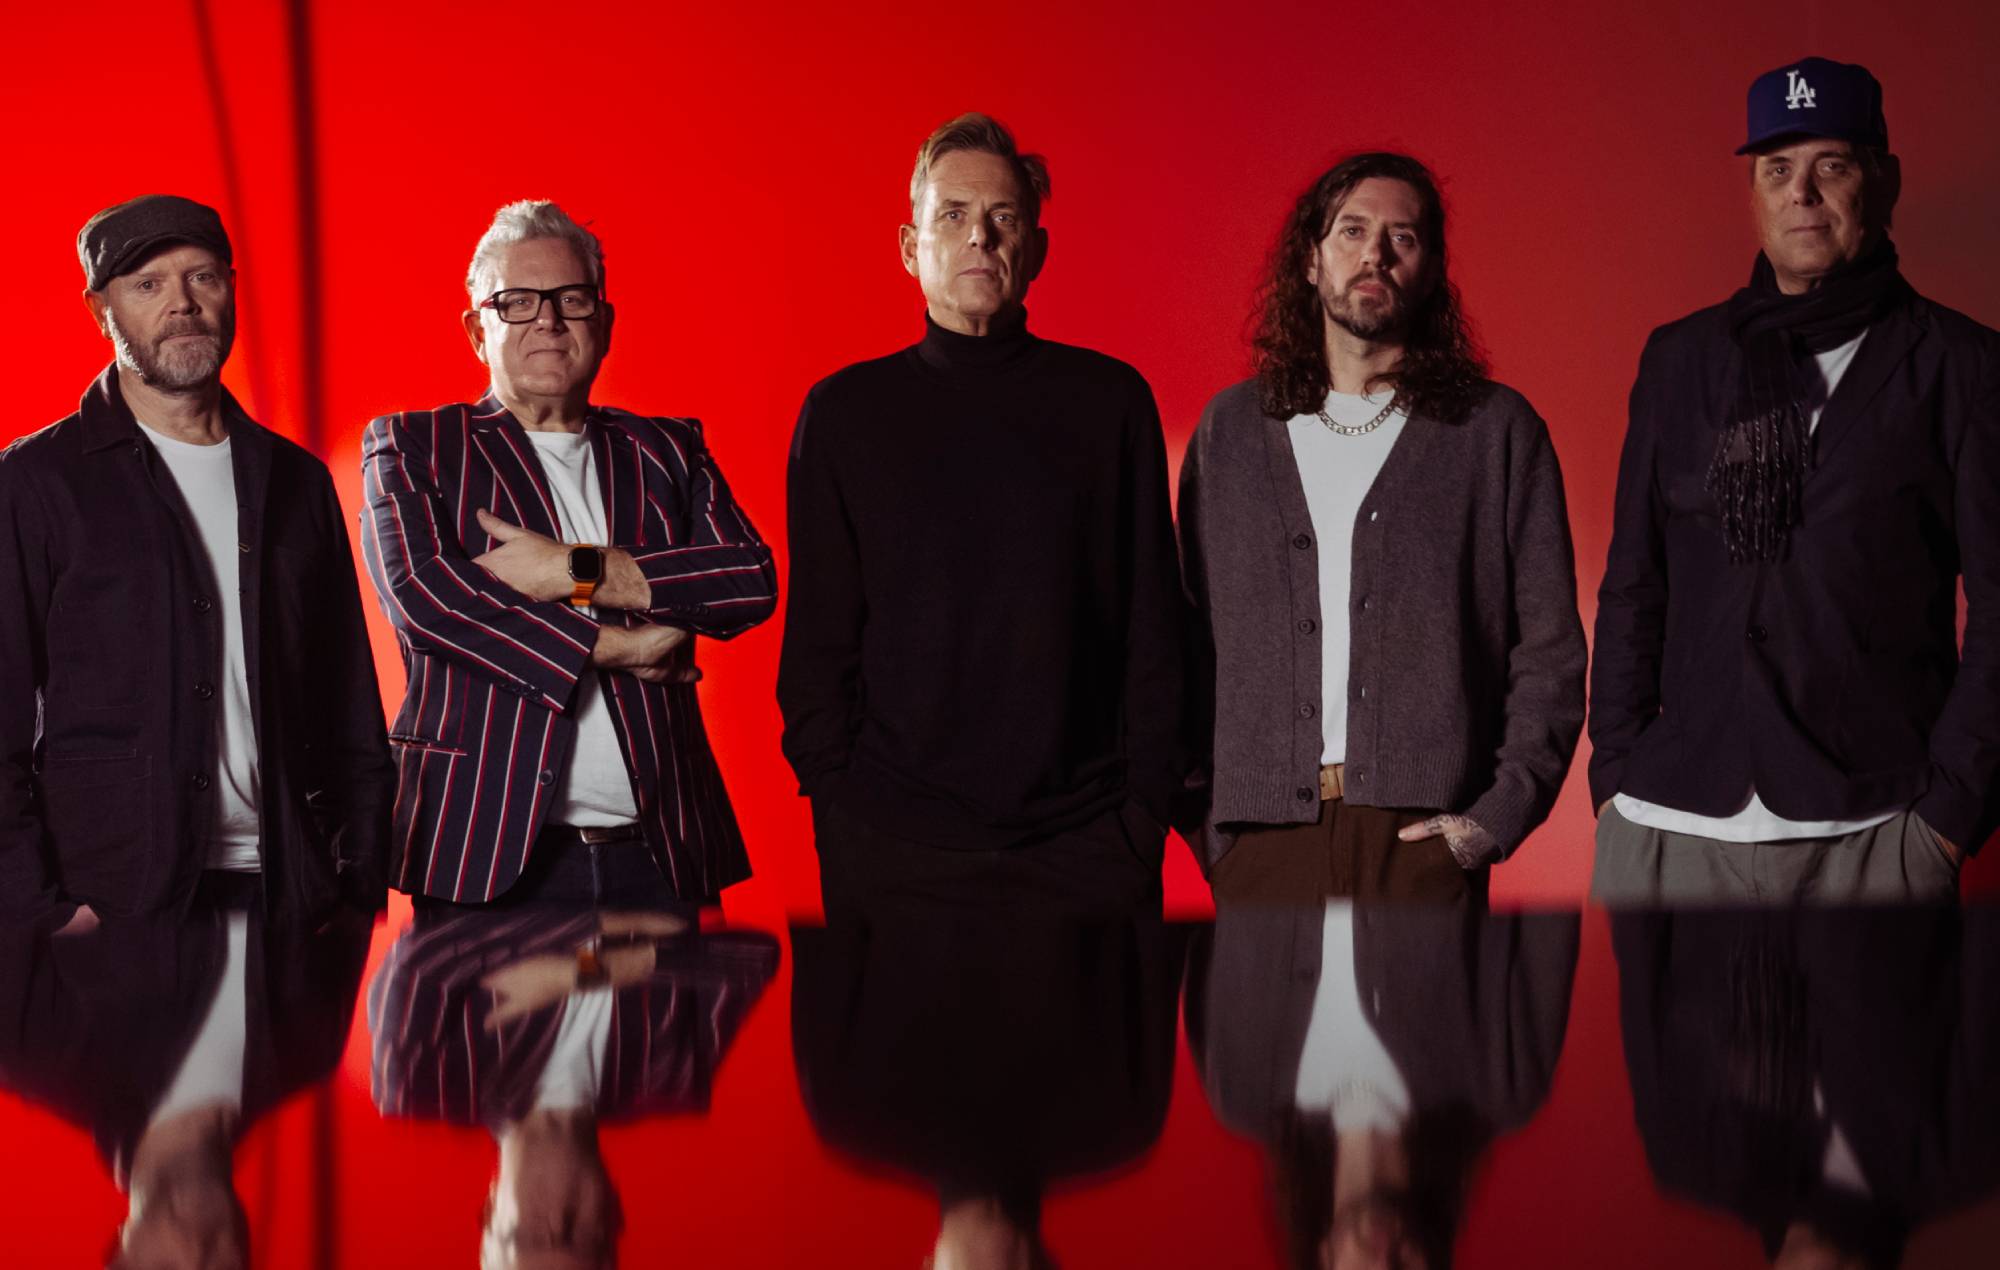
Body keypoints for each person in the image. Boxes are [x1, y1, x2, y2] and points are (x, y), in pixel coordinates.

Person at [1588, 57, 2000, 903]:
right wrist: (1616, 779)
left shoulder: (1961, 366)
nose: (1801, 193)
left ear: (1883, 180)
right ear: (1754, 193)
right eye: (1777, 170)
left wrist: (1949, 817)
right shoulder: (1680, 360)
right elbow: (1634, 583)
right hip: (1671, 823)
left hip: (1871, 828)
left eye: (1831, 165)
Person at [776, 113, 1183, 915]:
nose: (979, 238)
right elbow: (820, 636)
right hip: (890, 839)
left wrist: (1143, 812)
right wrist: (840, 803)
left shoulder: (1109, 403)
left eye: (1004, 217)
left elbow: (1153, 627)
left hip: (1088, 840)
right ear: (910, 246)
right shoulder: (845, 414)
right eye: (953, 215)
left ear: (1036, 249)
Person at [1178, 152, 1586, 904]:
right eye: (1352, 230)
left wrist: (1494, 818)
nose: (1375, 254)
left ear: (1430, 271)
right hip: (1261, 848)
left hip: (1424, 848)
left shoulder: (1494, 433)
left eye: (1403, 237)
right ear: (1310, 260)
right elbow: (1183, 638)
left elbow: (1550, 652)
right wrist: (1209, 826)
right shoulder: (1230, 433)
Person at [360, 200, 777, 910]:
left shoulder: (667, 449)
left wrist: (570, 569)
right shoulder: (417, 445)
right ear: (478, 330)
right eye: (517, 302)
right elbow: (428, 600)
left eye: (571, 299)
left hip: (661, 851)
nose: (548, 321)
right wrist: (619, 646)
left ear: (603, 323)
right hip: (480, 848)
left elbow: (746, 579)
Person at [0, 194, 392, 934]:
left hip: (289, 899)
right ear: (100, 310)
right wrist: (39, 910)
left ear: (230, 289)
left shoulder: (296, 482)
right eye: (148, 284)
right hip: (113, 908)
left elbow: (348, 704)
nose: (181, 303)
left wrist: (358, 881)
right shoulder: (37, 482)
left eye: (202, 277)